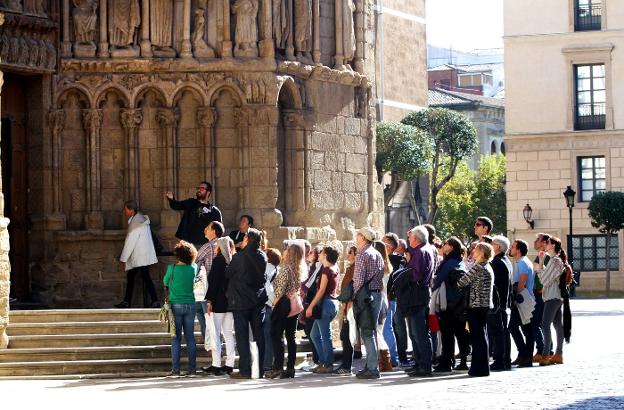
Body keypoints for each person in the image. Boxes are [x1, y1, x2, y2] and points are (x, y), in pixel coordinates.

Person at [265, 243, 307, 379]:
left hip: (283, 305)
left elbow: (279, 291)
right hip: (294, 307)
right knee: (291, 337)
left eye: (286, 250)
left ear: (290, 254)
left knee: (276, 335)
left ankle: (277, 367)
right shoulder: (298, 270)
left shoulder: (285, 269)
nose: (284, 252)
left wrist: (273, 305)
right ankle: (290, 368)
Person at [457, 242, 494, 377]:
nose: (473, 252)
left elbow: (461, 282)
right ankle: (482, 367)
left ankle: (478, 368)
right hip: (484, 305)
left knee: (477, 338)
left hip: (475, 305)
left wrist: (467, 267)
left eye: (476, 250)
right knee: (482, 337)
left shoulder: (478, 267)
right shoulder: (488, 267)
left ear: (482, 253)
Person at [432, 236, 468, 372]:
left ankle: (446, 362)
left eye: (445, 243)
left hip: (446, 302)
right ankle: (463, 361)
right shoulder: (460, 261)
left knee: (447, 334)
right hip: (459, 303)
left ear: (451, 247)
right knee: (460, 333)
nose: (443, 245)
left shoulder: (449, 263)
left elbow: (437, 280)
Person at [352, 227, 385, 379]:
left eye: (358, 234)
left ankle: (372, 367)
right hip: (376, 295)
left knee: (366, 332)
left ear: (363, 238)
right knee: (371, 331)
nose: (356, 236)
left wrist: (354, 297)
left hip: (365, 296)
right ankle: (372, 364)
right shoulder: (377, 253)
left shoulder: (362, 254)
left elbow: (358, 280)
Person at [404, 225, 436, 377]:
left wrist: (405, 273)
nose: (408, 238)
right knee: (417, 332)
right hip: (421, 294)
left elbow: (414, 275)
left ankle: (424, 365)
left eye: (410, 237)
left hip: (417, 294)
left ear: (416, 239)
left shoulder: (421, 252)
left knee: (419, 333)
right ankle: (420, 364)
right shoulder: (425, 249)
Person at [116, 200, 159, 308]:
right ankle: (129, 301)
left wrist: (123, 259)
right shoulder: (140, 220)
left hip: (140, 257)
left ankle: (153, 300)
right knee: (138, 277)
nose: (124, 212)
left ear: (131, 210)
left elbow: (130, 243)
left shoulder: (135, 223)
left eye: (125, 209)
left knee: (140, 277)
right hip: (143, 255)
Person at [163, 241, 198, 377]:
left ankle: (176, 370)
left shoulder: (171, 268)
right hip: (191, 304)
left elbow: (165, 282)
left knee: (176, 338)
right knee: (190, 338)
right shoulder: (193, 268)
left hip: (175, 304)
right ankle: (192, 370)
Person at [205, 236, 236, 376]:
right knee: (228, 334)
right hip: (230, 303)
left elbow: (214, 283)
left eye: (217, 245)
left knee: (215, 333)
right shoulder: (233, 261)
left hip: (218, 302)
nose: (215, 247)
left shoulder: (218, 260)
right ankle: (230, 364)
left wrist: (209, 301)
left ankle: (216, 364)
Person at [307, 245, 340, 374]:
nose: (319, 254)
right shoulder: (335, 268)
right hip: (332, 303)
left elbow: (321, 291)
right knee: (314, 335)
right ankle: (323, 362)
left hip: (325, 304)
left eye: (321, 253)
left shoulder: (326, 270)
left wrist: (310, 307)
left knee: (325, 336)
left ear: (325, 255)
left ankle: (327, 364)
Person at [535, 236, 567, 366]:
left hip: (552, 297)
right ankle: (558, 354)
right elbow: (543, 276)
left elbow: (543, 280)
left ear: (553, 245)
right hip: (555, 296)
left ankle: (546, 354)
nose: (545, 244)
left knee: (545, 324)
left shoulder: (555, 261)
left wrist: (541, 271)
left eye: (547, 242)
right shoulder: (554, 261)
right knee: (557, 325)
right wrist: (542, 260)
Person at [166, 181, 222, 248]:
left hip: (203, 244)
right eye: (198, 188)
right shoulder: (191, 202)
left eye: (202, 188)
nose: (199, 190)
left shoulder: (214, 211)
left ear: (208, 192)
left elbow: (218, 230)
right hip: (187, 243)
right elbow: (176, 206)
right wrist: (171, 199)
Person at [194, 221, 224, 338]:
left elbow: (195, 263)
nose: (205, 229)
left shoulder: (208, 246)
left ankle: (211, 343)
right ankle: (215, 341)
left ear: (214, 231)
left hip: (207, 287)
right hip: (221, 287)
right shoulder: (225, 245)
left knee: (205, 315)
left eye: (208, 227)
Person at [509, 239, 536, 368]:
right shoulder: (521, 262)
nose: (511, 249)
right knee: (525, 329)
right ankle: (525, 356)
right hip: (523, 299)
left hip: (523, 299)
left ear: (518, 250)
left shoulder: (523, 263)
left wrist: (515, 294)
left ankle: (525, 355)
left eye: (513, 247)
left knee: (517, 328)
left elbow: (522, 282)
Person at [488, 235, 514, 371]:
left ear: (497, 247)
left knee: (498, 332)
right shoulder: (506, 260)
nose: (490, 246)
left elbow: (495, 286)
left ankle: (500, 360)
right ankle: (505, 360)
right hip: (504, 303)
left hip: (498, 305)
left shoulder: (496, 262)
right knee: (504, 332)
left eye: (492, 244)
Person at [334, 245, 357, 375]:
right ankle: (345, 364)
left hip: (350, 305)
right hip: (346, 305)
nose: (348, 254)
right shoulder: (350, 268)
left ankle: (347, 366)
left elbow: (352, 287)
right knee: (345, 335)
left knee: (348, 336)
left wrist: (349, 303)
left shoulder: (355, 269)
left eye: (350, 252)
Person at [382, 233, 403, 367]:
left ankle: (393, 358)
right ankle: (391, 357)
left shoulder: (392, 261)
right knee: (387, 328)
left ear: (389, 246)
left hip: (389, 298)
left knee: (386, 328)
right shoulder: (399, 261)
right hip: (391, 298)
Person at [372, 240, 393, 372]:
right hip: (384, 300)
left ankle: (385, 361)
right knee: (378, 331)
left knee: (377, 332)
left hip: (379, 300)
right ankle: (384, 361)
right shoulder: (387, 267)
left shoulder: (380, 267)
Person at [531, 233, 551, 363]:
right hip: (539, 294)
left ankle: (542, 350)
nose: (535, 241)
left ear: (544, 243)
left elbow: (545, 275)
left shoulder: (545, 257)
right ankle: (547, 350)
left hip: (541, 294)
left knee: (536, 323)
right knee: (542, 324)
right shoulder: (540, 256)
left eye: (537, 239)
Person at [262, 248, 282, 372]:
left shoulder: (265, 269)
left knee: (266, 336)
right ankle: (271, 362)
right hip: (276, 306)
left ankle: (266, 363)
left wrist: (271, 301)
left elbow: (267, 287)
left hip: (268, 305)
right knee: (273, 336)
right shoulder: (278, 270)